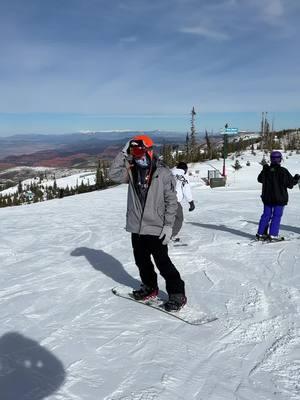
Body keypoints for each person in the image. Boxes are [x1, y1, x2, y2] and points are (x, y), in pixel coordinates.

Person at [108, 134, 187, 311]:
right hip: (137, 226)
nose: (137, 156)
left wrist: (168, 225)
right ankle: (150, 287)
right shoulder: (131, 170)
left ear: (150, 151)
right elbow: (112, 174)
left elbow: (171, 201)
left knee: (163, 262)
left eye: (140, 151)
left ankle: (177, 294)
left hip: (156, 226)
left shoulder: (163, 173)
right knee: (142, 261)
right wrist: (123, 152)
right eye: (134, 152)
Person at [256, 150, 299, 241]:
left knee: (266, 215)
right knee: (276, 216)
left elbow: (259, 179)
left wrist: (264, 170)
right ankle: (273, 235)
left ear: (271, 159)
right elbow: (290, 184)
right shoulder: (283, 171)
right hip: (279, 198)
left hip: (267, 198)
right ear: (280, 160)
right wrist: (296, 178)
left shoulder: (266, 170)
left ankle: (260, 234)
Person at [171, 162, 195, 241]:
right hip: (173, 201)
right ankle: (170, 235)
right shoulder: (183, 176)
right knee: (179, 218)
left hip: (161, 200)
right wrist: (191, 202)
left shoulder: (169, 172)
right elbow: (186, 189)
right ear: (185, 169)